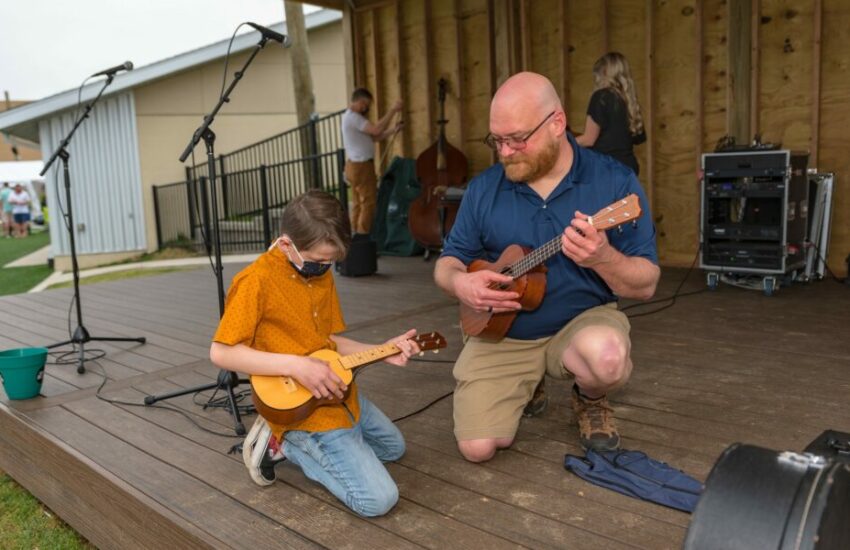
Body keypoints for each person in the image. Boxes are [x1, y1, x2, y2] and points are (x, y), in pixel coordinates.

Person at [434, 72, 659, 463]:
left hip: (581, 321)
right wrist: (461, 285)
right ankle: (527, 381)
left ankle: (590, 398)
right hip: (503, 330)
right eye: (496, 140)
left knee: (605, 357)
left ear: (556, 124)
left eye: (517, 139)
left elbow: (647, 284)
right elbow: (448, 261)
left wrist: (602, 257)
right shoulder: (485, 188)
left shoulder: (613, 182)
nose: (504, 152)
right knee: (477, 449)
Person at [209, 189, 420, 517]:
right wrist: (295, 365)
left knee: (393, 448)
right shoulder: (255, 282)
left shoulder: (317, 271)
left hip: (334, 390)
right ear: (285, 244)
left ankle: (338, 445)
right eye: (318, 261)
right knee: (377, 500)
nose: (324, 269)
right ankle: (286, 442)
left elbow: (329, 340)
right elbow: (221, 352)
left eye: (330, 262)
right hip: (298, 405)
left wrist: (382, 351)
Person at [342, 88, 403, 235]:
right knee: (369, 202)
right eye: (365, 104)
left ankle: (355, 235)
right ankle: (363, 236)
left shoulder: (349, 117)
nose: (366, 108)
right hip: (361, 166)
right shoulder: (355, 118)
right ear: (359, 101)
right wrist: (393, 110)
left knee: (358, 203)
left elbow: (374, 137)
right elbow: (376, 130)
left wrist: (393, 130)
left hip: (353, 165)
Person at [575, 52, 646, 176]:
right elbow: (638, 138)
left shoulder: (601, 97)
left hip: (607, 169)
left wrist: (564, 144)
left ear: (603, 74)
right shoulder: (629, 101)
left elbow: (588, 140)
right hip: (628, 169)